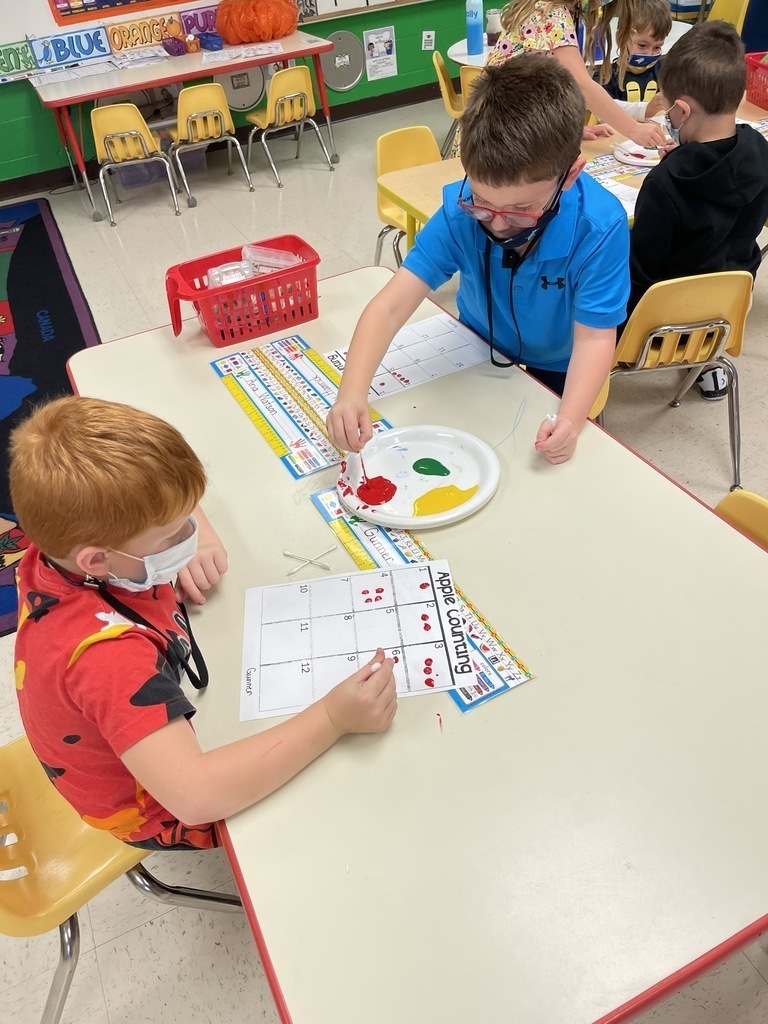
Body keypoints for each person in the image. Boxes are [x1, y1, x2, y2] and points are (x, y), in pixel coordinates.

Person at [11, 397, 397, 851]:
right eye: (172, 537)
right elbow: (197, 797)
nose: (188, 537)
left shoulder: (61, 541)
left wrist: (203, 538)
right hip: (158, 811)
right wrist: (333, 718)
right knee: (353, 806)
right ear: (96, 561)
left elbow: (162, 498)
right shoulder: (107, 661)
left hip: (139, 725)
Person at [328, 57, 630, 465]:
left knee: (540, 461)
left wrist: (570, 421)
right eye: (482, 204)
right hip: (475, 345)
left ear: (570, 174)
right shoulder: (459, 211)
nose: (499, 224)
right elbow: (390, 305)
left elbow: (594, 338)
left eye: (521, 210)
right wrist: (351, 393)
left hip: (560, 366)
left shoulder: (599, 227)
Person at [629, 21, 768, 400]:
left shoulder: (665, 182)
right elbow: (718, 180)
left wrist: (675, 166)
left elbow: (641, 270)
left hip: (657, 331)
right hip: (723, 320)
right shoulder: (760, 153)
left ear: (682, 110)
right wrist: (686, 159)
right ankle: (708, 365)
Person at [468, 0, 666, 148]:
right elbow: (581, 86)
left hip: (502, 130)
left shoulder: (552, 9)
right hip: (494, 140)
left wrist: (565, 131)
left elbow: (546, 86)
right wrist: (633, 129)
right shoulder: (553, 15)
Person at [598, 0, 671, 120]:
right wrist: (645, 110)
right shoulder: (606, 76)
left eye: (657, 47)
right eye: (642, 45)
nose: (649, 54)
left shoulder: (664, 72)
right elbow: (600, 110)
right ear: (620, 38)